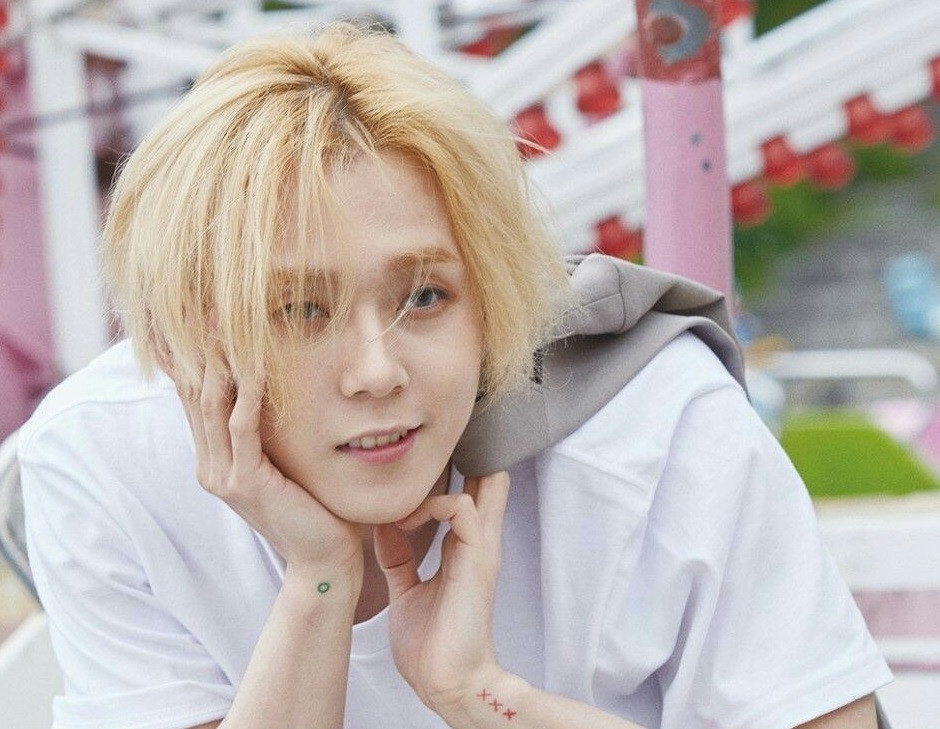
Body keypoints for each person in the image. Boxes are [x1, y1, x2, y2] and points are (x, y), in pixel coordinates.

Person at [19, 22, 890, 729]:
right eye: (299, 310)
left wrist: (482, 697)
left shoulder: (656, 428)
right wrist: (319, 581)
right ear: (188, 331)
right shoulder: (103, 459)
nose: (375, 371)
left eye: (426, 295)